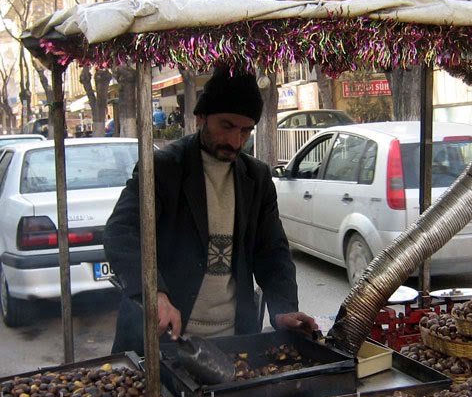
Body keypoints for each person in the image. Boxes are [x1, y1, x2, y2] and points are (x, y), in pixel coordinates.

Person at [104, 67, 317, 354]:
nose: (235, 141)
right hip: (163, 339)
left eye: (245, 130)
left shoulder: (257, 177)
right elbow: (121, 233)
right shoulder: (163, 168)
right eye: (227, 126)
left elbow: (272, 251)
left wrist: (283, 309)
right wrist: (155, 294)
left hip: (233, 339)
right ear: (201, 117)